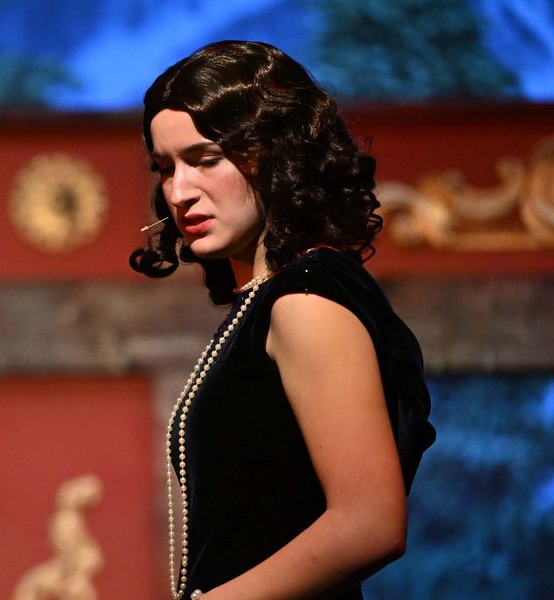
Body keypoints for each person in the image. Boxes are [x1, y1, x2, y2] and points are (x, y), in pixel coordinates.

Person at [130, 40, 435, 600]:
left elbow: (370, 523)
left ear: (277, 154)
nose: (179, 192)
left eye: (205, 159)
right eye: (166, 168)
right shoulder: (269, 299)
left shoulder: (306, 299)